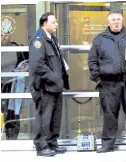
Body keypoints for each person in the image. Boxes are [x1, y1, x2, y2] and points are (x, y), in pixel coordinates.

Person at [88, 10, 126, 153]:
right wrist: (98, 78)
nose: (116, 22)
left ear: (122, 21)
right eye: (113, 19)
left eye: (119, 19)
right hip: (108, 82)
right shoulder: (99, 39)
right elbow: (92, 61)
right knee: (109, 114)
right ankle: (108, 144)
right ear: (108, 22)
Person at [28, 12, 70, 157]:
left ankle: (52, 143)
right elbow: (38, 65)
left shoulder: (52, 39)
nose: (56, 24)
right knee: (44, 117)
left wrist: (60, 78)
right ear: (45, 24)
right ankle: (41, 146)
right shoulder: (38, 40)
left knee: (55, 117)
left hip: (55, 85)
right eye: (54, 22)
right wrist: (54, 77)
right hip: (45, 86)